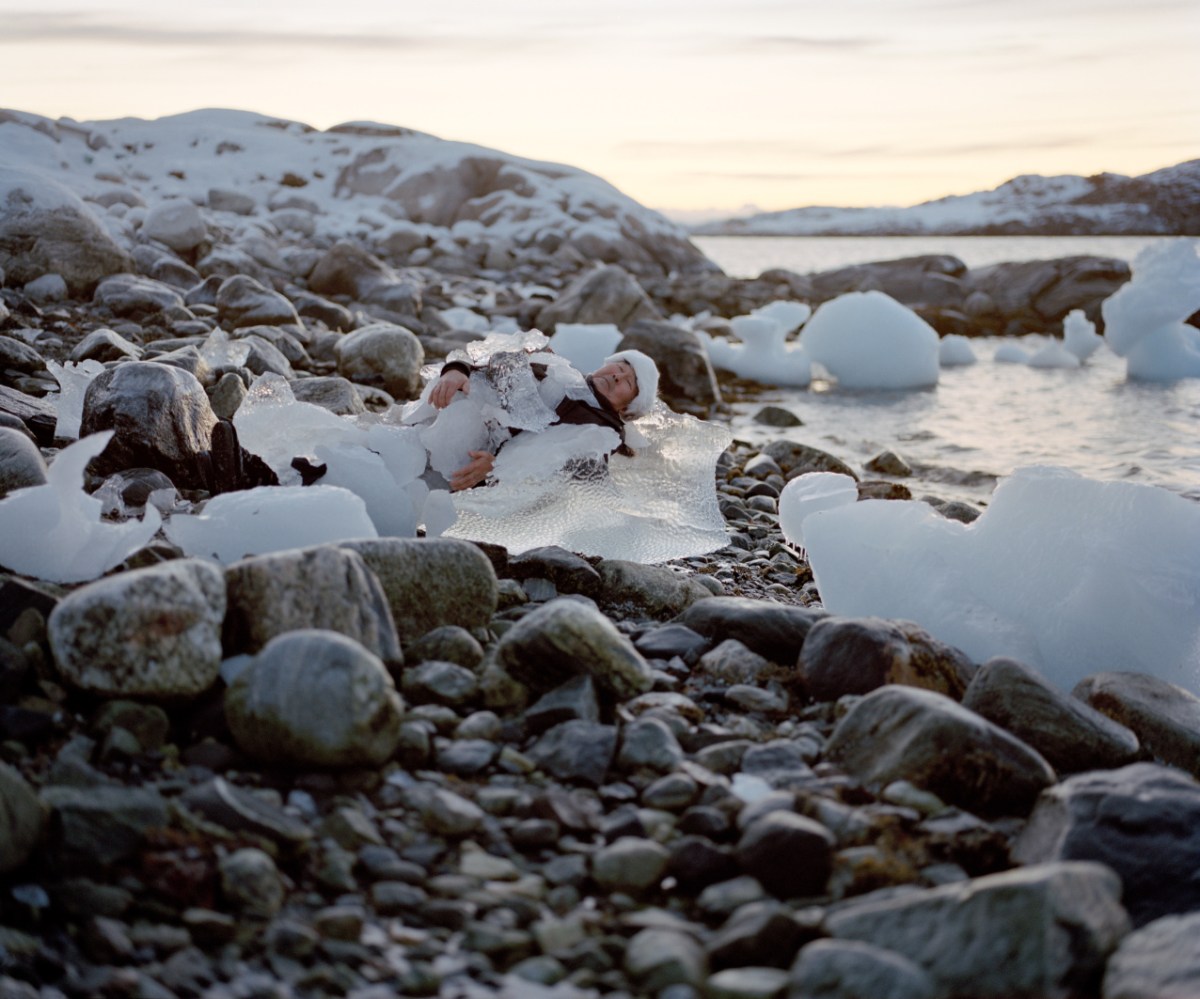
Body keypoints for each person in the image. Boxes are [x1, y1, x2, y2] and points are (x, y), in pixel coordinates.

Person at [427, 348, 660, 491]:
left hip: (467, 481)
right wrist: (457, 370)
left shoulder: (602, 433)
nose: (617, 377)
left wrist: (497, 469)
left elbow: (560, 479)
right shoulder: (560, 373)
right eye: (618, 367)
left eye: (628, 383)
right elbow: (497, 367)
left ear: (627, 407)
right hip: (438, 431)